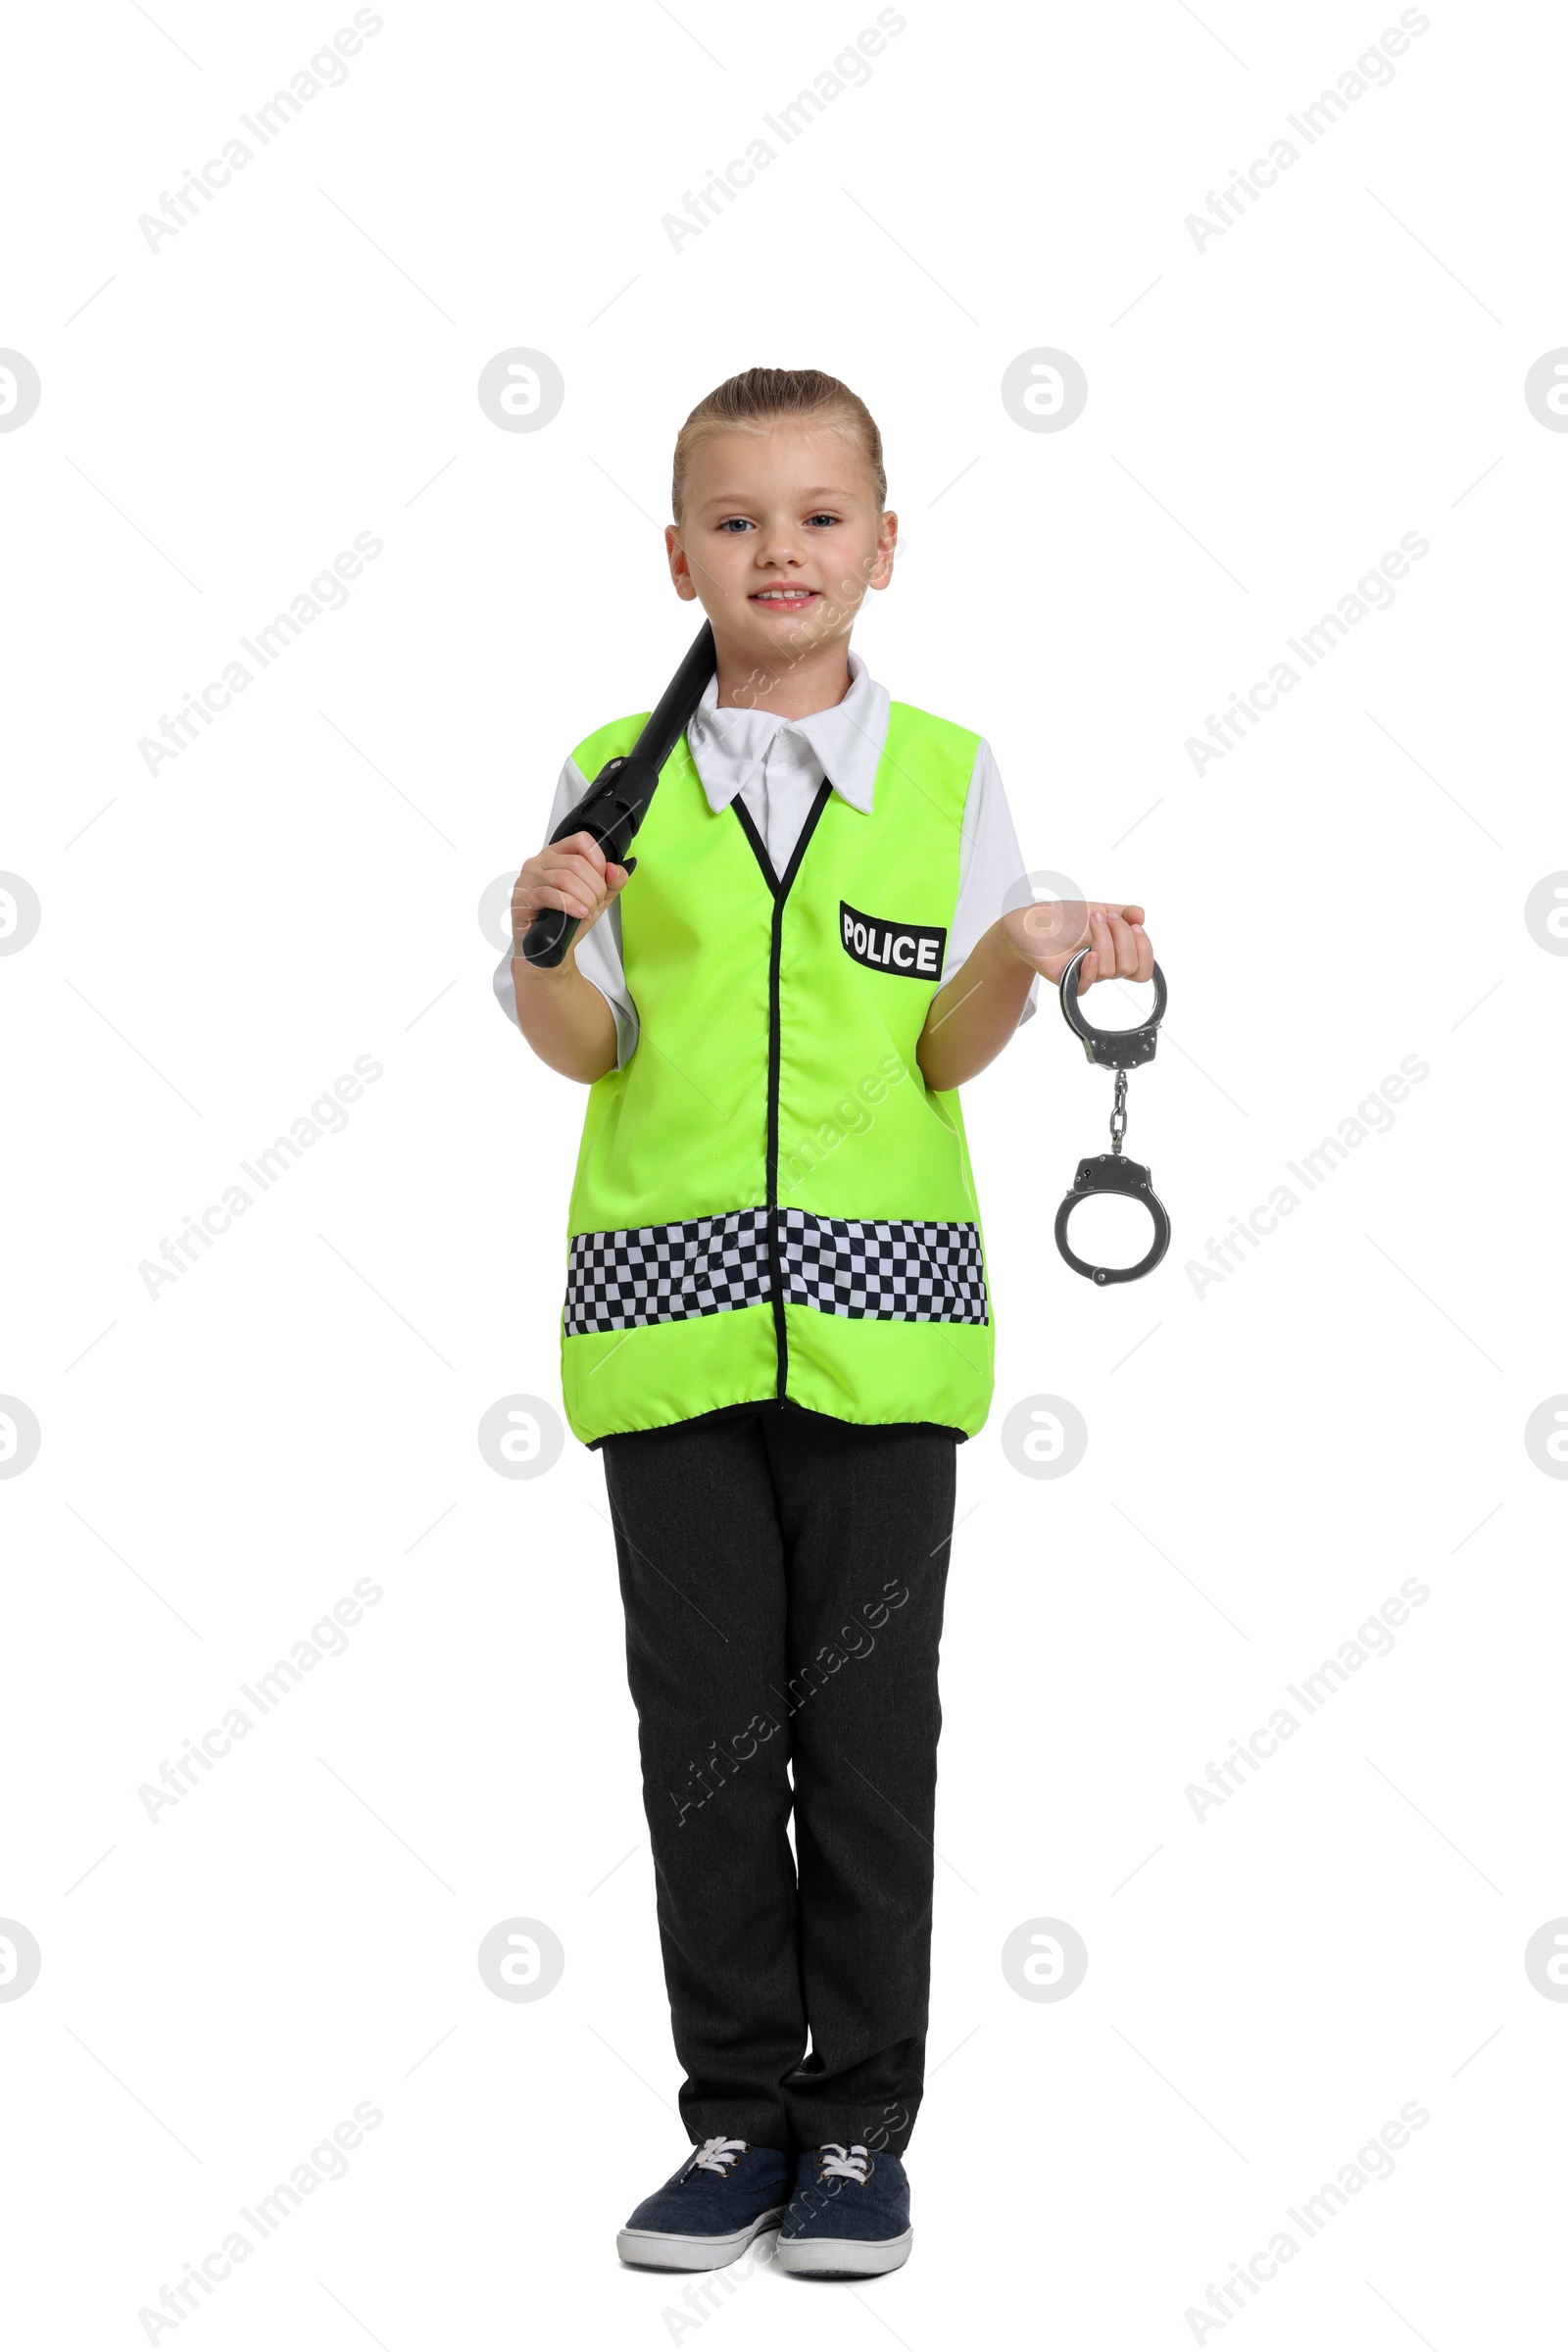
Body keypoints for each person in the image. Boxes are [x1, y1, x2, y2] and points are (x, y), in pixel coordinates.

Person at [494, 367, 1155, 2280]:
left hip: (883, 1350)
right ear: (677, 554)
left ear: (881, 547)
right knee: (701, 1739)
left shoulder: (944, 774)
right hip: (664, 1344)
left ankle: (856, 2130)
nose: (776, 549)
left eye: (815, 516)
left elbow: (937, 1049)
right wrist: (534, 935)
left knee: (866, 1736)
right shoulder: (611, 772)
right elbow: (587, 1046)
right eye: (734, 519)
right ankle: (729, 2120)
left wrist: (1015, 967)